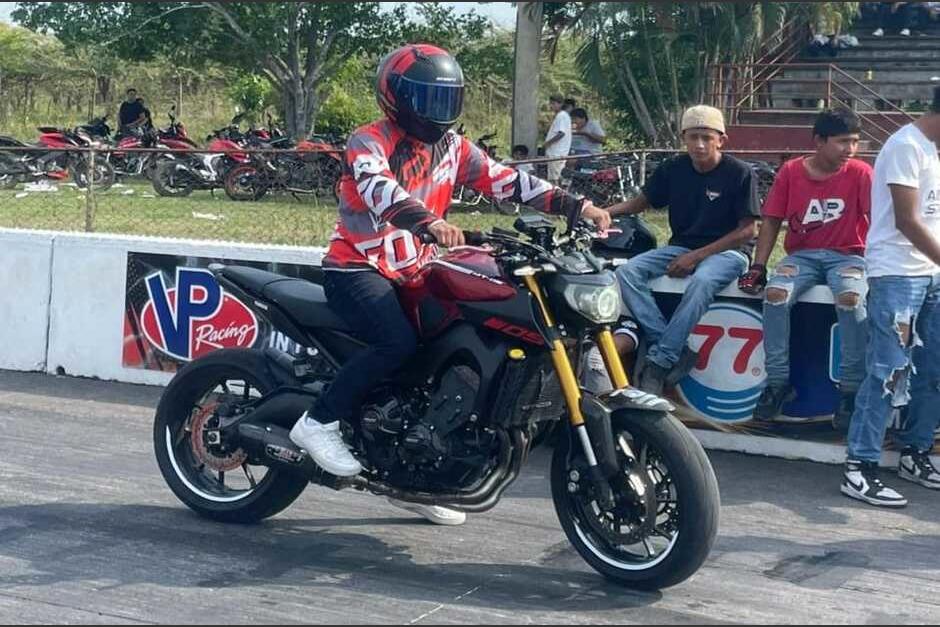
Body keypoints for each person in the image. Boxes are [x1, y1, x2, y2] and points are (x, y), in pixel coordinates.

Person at [288, 44, 612, 525]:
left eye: (445, 100)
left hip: (417, 268)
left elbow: (506, 182)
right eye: (425, 99)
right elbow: (381, 191)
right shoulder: (369, 139)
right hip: (358, 267)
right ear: (396, 98)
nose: (435, 111)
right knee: (395, 343)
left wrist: (575, 206)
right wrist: (427, 222)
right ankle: (318, 421)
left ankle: (417, 473)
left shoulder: (453, 148)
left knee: (443, 354)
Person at [607, 105, 760, 395]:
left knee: (701, 282)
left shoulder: (740, 173)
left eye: (706, 137)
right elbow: (640, 204)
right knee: (628, 272)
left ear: (721, 140)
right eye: (693, 137)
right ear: (683, 138)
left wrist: (697, 256)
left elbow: (748, 230)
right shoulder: (672, 169)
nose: (699, 144)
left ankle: (661, 360)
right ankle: (672, 346)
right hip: (681, 245)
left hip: (729, 252)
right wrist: (600, 212)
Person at [738, 109, 873, 429]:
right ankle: (777, 385)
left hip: (849, 257)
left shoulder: (862, 173)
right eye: (843, 142)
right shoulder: (790, 171)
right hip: (803, 257)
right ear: (819, 141)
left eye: (854, 142)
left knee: (852, 300)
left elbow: (880, 223)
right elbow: (770, 221)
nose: (850, 150)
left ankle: (852, 391)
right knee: (774, 295)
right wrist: (758, 265)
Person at [841, 86, 940, 508]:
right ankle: (858, 468)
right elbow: (907, 220)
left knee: (930, 371)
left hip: (930, 274)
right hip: (897, 275)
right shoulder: (905, 146)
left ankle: (914, 454)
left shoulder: (932, 151)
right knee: (887, 374)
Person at [543, 95, 572, 184]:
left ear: (560, 104)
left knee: (554, 179)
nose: (551, 106)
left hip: (557, 153)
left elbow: (561, 133)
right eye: (550, 103)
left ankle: (555, 196)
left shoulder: (562, 116)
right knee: (555, 176)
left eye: (553, 103)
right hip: (556, 153)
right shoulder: (562, 115)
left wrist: (548, 143)